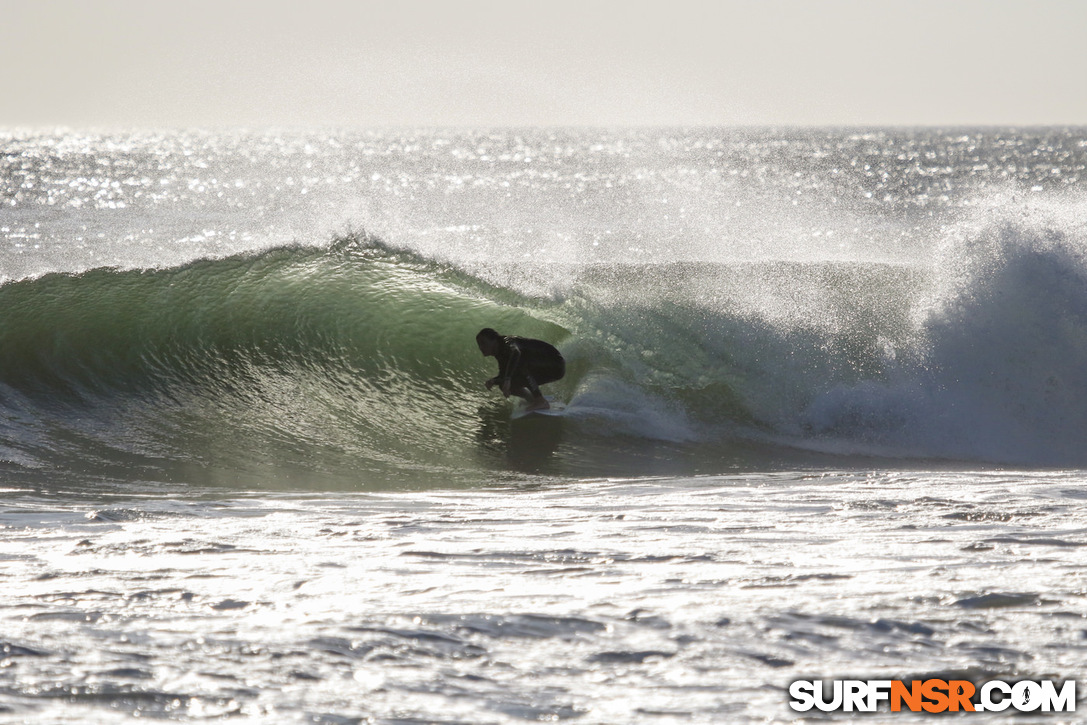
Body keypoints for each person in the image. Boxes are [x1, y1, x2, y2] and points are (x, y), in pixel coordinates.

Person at [476, 328, 565, 411]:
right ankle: (531, 399)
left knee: (519, 368)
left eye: (483, 343)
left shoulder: (507, 342)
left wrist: (508, 379)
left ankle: (540, 401)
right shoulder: (500, 354)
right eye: (479, 344)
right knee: (502, 383)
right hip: (545, 367)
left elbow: (516, 352)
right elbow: (504, 374)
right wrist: (493, 381)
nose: (481, 347)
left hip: (555, 363)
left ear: (494, 340)